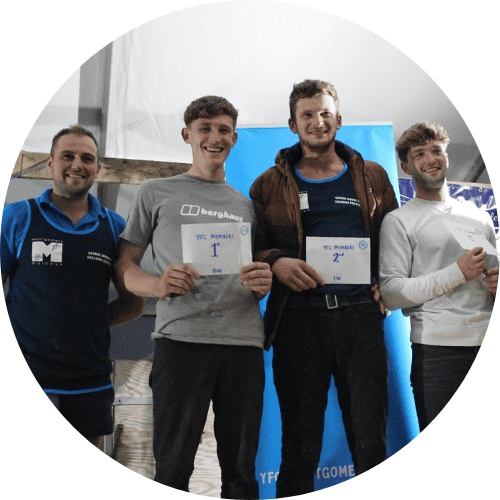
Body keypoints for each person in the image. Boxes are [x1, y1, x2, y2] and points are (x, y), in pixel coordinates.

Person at [115, 95, 272, 498]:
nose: (214, 138)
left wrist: (263, 280)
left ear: (234, 138)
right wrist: (158, 285)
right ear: (187, 135)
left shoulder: (247, 206)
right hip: (181, 342)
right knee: (173, 468)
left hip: (243, 345)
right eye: (205, 129)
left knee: (241, 474)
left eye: (223, 130)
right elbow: (124, 267)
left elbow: (257, 271)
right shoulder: (154, 192)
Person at [249, 79, 398, 497]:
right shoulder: (267, 184)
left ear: (339, 118)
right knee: (299, 447)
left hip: (361, 317)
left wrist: (388, 282)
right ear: (292, 124)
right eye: (308, 115)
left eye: (326, 113)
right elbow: (253, 245)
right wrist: (276, 262)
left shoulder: (372, 175)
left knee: (371, 442)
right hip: (298, 320)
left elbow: (395, 238)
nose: (318, 122)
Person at [1, 125, 144, 448]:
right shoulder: (19, 216)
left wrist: (84, 324)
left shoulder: (114, 227)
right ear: (50, 163)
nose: (77, 165)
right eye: (67, 156)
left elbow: (133, 304)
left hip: (89, 379)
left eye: (87, 158)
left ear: (98, 169)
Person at [379, 122, 498, 431]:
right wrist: (456, 273)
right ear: (406, 167)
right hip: (438, 354)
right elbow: (391, 293)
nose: (431, 159)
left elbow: (493, 277)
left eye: (436, 151)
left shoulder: (480, 217)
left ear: (447, 156)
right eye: (419, 154)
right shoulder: (398, 221)